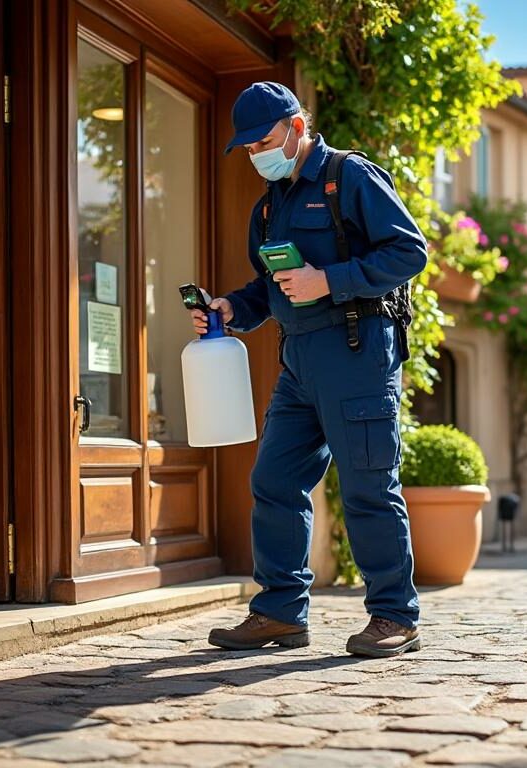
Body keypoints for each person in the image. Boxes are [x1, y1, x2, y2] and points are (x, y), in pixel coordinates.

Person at [194, 82, 425, 658]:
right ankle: (279, 613)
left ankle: (395, 617)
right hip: (298, 362)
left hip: (358, 357)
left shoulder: (351, 178)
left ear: (297, 127)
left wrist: (331, 280)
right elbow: (266, 287)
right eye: (247, 149)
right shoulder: (270, 206)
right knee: (274, 480)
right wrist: (231, 309)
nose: (256, 156)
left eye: (263, 142)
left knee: (369, 487)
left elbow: (409, 252)